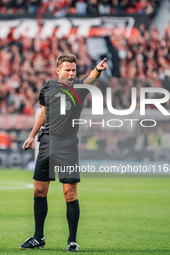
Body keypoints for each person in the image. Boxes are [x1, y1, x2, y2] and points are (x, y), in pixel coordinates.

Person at [19, 54, 108, 252]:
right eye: (67, 69)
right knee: (39, 191)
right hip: (47, 143)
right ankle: (38, 237)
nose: (71, 73)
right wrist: (31, 136)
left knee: (70, 193)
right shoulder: (48, 88)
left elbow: (90, 78)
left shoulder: (79, 89)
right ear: (58, 70)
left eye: (74, 70)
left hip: (67, 145)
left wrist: (98, 70)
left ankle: (72, 240)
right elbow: (44, 112)